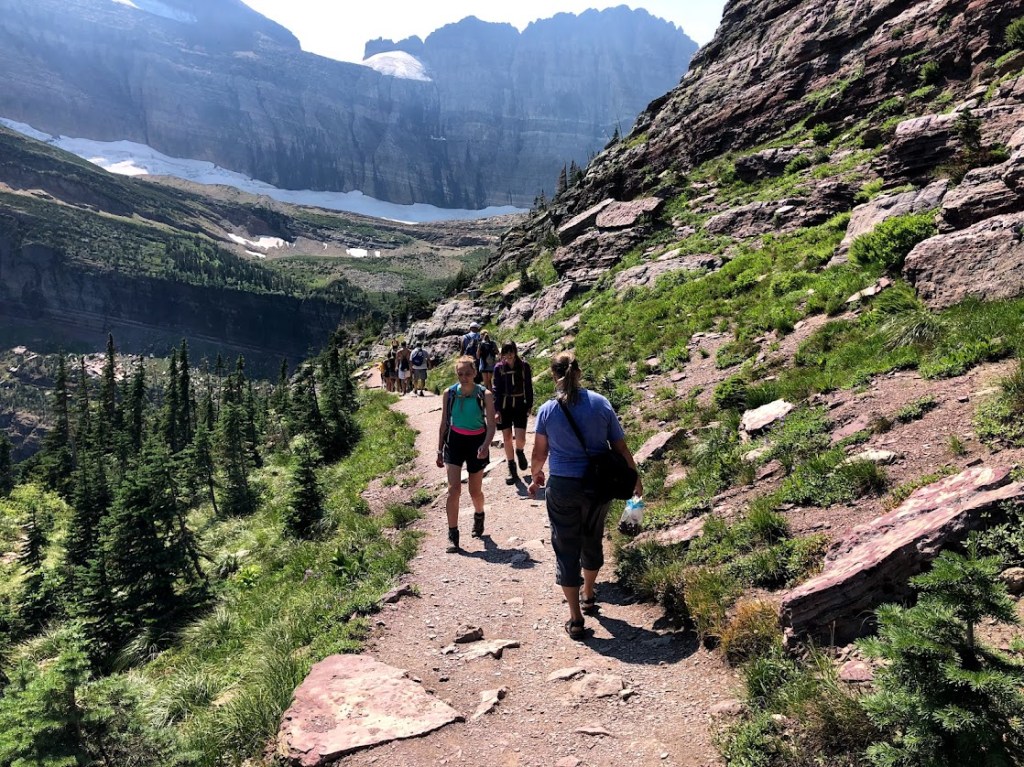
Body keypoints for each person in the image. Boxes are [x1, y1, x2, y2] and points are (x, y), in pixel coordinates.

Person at [528, 351, 642, 641]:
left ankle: (576, 617)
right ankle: (590, 594)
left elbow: (540, 453)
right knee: (592, 538)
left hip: (563, 486)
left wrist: (536, 475)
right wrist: (635, 478)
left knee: (566, 545)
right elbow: (620, 447)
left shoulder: (547, 411)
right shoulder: (600, 404)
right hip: (597, 486)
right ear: (578, 372)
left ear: (554, 375)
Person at [437, 355, 496, 552]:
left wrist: (486, 445)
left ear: (475, 373)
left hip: (476, 442)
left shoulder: (484, 394)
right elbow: (445, 422)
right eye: (460, 374)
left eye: (468, 373)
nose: (464, 377)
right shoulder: (450, 393)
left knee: (474, 491)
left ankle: (479, 514)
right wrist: (439, 449)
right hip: (455, 441)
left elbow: (491, 424)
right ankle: (453, 535)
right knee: (454, 489)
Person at [492, 341, 533, 485]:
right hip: (504, 406)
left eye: (511, 350)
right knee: (507, 437)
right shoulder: (499, 368)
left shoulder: (523, 367)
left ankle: (520, 451)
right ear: (502, 353)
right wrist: (496, 410)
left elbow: (528, 386)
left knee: (520, 438)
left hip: (520, 405)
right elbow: (496, 389)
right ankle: (511, 467)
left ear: (515, 351)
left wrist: (529, 404)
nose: (509, 354)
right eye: (506, 351)